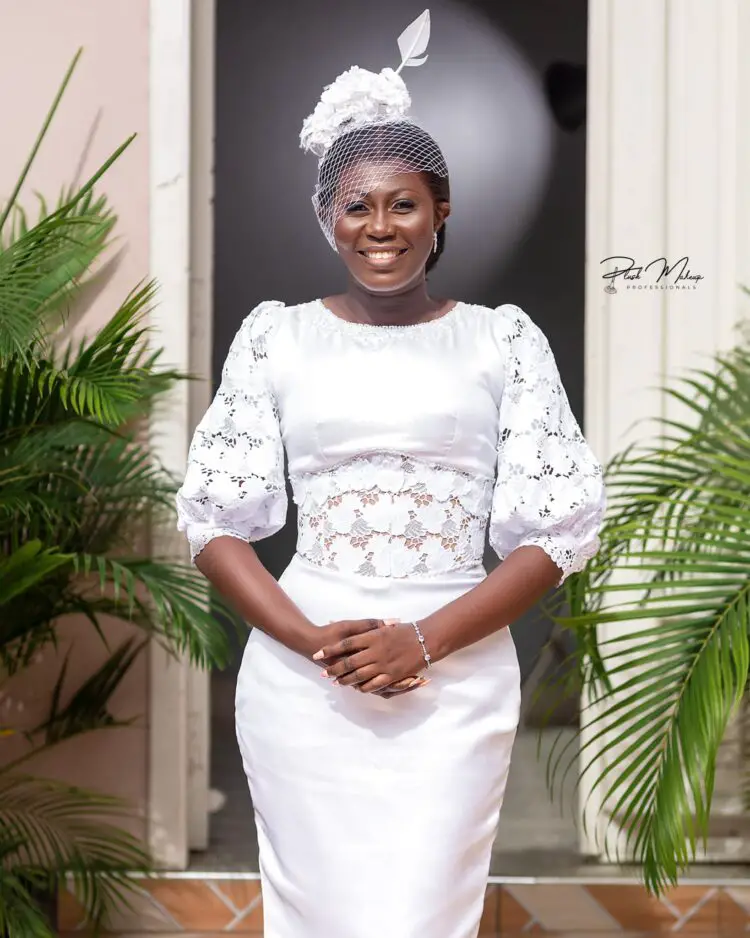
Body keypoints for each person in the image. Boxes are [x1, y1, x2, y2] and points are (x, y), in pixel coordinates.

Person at [175, 10, 606, 937]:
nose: (381, 227)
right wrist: (310, 642)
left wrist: (425, 639)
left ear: (440, 211)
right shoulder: (275, 337)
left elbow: (557, 533)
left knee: (421, 916)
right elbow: (213, 521)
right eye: (358, 205)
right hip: (302, 682)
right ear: (328, 215)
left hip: (452, 680)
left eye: (403, 203)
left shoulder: (503, 340)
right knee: (315, 915)